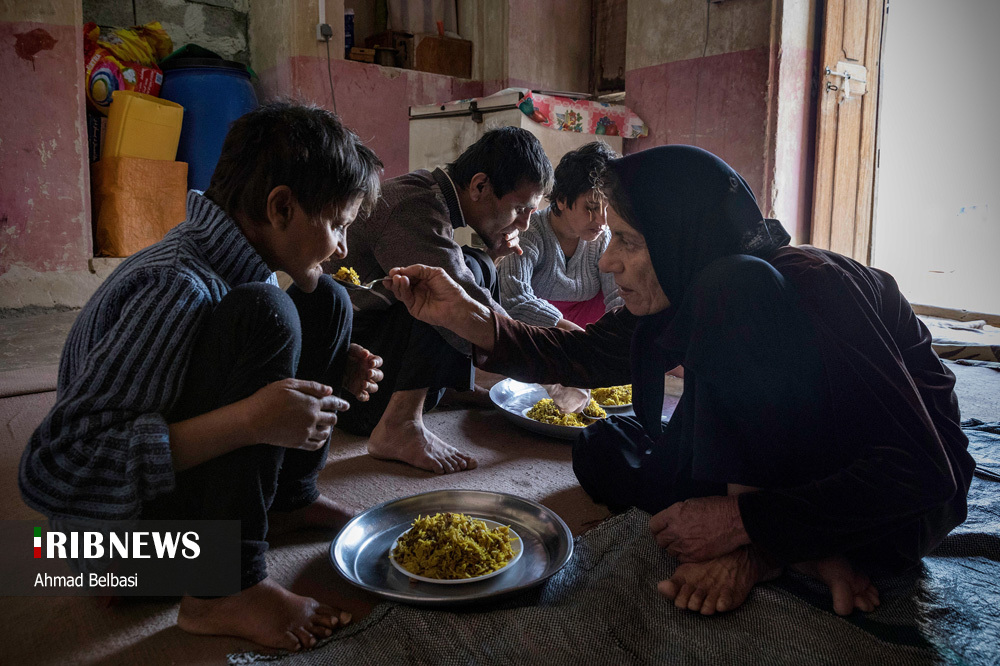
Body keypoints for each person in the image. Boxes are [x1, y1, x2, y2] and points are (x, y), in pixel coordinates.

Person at [381, 145, 975, 617]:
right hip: (792, 471)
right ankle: (804, 547)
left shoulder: (813, 286)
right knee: (604, 449)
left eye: (629, 242)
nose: (610, 261)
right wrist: (465, 314)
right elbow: (582, 354)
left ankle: (775, 545)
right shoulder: (681, 285)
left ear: (678, 236)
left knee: (732, 289)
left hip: (887, 504)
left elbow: (922, 472)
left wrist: (740, 526)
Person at [19, 103, 385, 652]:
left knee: (326, 300)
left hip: (166, 528)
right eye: (338, 225)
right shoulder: (178, 286)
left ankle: (287, 502)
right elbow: (51, 469)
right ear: (281, 207)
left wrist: (326, 368)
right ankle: (221, 591)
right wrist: (250, 421)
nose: (344, 247)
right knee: (268, 313)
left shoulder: (231, 260)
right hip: (93, 555)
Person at [325, 126, 553, 474]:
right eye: (520, 208)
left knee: (476, 264)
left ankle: (451, 387)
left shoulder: (426, 190)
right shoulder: (412, 207)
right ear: (479, 186)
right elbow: (459, 298)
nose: (523, 223)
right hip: (357, 385)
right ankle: (399, 424)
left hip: (373, 357)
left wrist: (489, 258)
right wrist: (548, 365)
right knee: (442, 288)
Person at [499, 141, 623, 331]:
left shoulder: (602, 238)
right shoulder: (528, 233)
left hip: (587, 335)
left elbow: (618, 296)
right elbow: (514, 298)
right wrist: (575, 336)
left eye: (608, 208)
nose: (602, 220)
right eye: (590, 208)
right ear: (561, 199)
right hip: (538, 336)